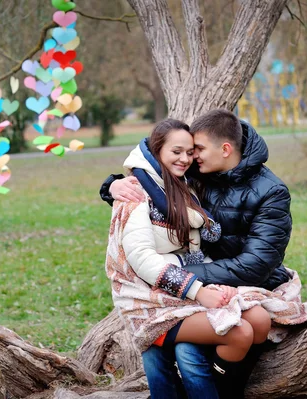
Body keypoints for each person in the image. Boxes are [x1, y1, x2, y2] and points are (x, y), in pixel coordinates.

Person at [101, 109, 293, 398]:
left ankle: (222, 389)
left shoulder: (271, 191)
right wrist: (111, 185)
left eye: (196, 150)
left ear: (225, 150)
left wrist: (188, 273)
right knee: (213, 342)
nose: (189, 158)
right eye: (186, 152)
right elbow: (154, 156)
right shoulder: (195, 172)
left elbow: (255, 266)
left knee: (260, 322)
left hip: (231, 277)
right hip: (180, 284)